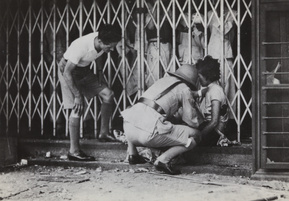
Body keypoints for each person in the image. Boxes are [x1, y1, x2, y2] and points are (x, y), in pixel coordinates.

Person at [121, 64, 203, 175]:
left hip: (128, 129)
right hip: (148, 134)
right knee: (195, 135)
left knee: (138, 116)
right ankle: (163, 160)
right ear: (191, 81)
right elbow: (191, 120)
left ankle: (132, 154)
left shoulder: (162, 81)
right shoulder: (184, 88)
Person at [58, 24, 121, 161]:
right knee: (78, 107)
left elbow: (98, 54)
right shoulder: (80, 46)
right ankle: (73, 151)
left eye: (113, 46)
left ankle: (103, 133)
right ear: (99, 41)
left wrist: (99, 72)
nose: (111, 49)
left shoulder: (102, 41)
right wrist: (77, 96)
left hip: (84, 69)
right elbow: (67, 73)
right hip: (67, 70)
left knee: (108, 95)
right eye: (109, 46)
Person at [207, 2, 237, 119]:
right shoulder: (209, 13)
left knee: (227, 87)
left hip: (226, 54)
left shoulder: (234, 13)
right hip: (213, 54)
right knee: (213, 87)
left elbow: (224, 31)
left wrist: (224, 16)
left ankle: (226, 119)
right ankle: (212, 116)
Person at [196, 56, 229, 146]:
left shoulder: (215, 91)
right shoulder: (211, 88)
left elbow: (214, 121)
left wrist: (200, 135)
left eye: (199, 76)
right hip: (211, 129)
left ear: (207, 76)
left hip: (215, 132)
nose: (198, 80)